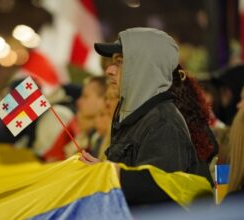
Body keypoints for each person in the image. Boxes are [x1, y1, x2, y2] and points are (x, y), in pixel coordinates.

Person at [80, 27, 211, 206]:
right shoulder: (138, 117)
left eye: (120, 61)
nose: (109, 70)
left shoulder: (163, 122)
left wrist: (110, 173)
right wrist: (102, 169)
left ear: (143, 67)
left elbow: (161, 190)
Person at [65, 76, 107, 158]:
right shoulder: (82, 131)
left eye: (85, 96)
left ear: (103, 99)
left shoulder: (102, 138)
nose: (78, 102)